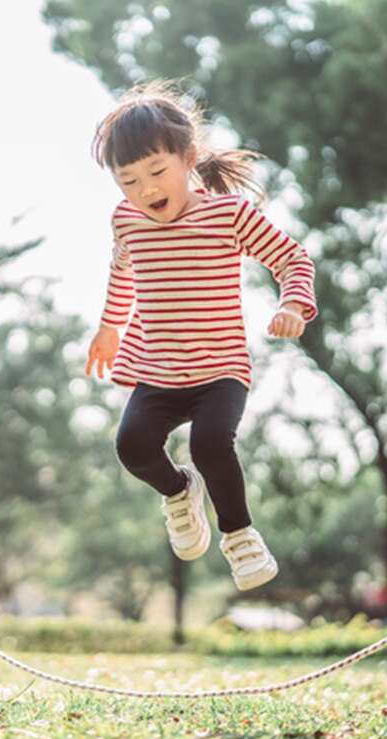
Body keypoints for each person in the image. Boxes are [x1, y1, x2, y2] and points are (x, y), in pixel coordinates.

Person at [84, 83, 317, 592]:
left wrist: (293, 303)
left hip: (219, 368)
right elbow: (123, 273)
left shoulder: (226, 216)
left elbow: (292, 258)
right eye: (129, 181)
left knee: (211, 443)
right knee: (132, 446)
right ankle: (178, 489)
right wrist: (109, 328)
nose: (145, 190)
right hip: (157, 368)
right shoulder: (126, 221)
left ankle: (240, 536)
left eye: (156, 173)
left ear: (187, 159)